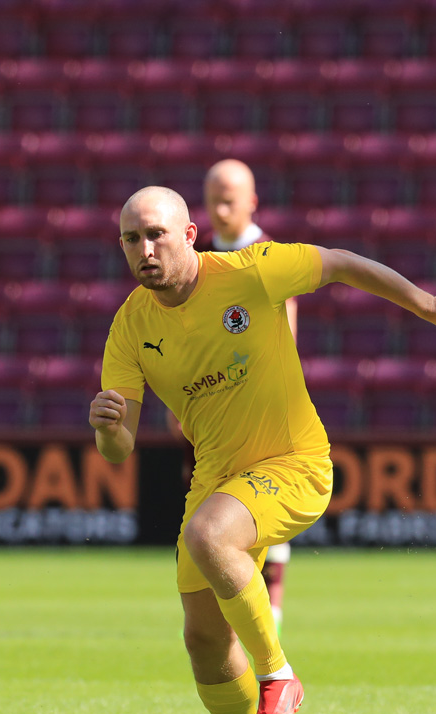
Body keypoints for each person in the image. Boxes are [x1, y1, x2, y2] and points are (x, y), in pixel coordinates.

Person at [90, 185, 436, 714]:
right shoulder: (130, 325)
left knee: (208, 537)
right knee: (202, 637)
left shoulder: (251, 271)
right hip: (217, 481)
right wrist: (107, 430)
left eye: (156, 235)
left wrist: (427, 306)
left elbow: (341, 264)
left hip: (293, 464)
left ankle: (278, 675)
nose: (144, 249)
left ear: (190, 235)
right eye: (131, 238)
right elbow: (120, 449)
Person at [198, 158, 293, 632]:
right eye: (213, 198)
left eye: (229, 198)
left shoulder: (267, 256)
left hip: (260, 403)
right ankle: (229, 610)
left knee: (261, 498)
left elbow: (286, 331)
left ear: (252, 201)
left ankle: (269, 601)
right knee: (216, 506)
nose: (220, 207)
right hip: (212, 408)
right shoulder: (200, 258)